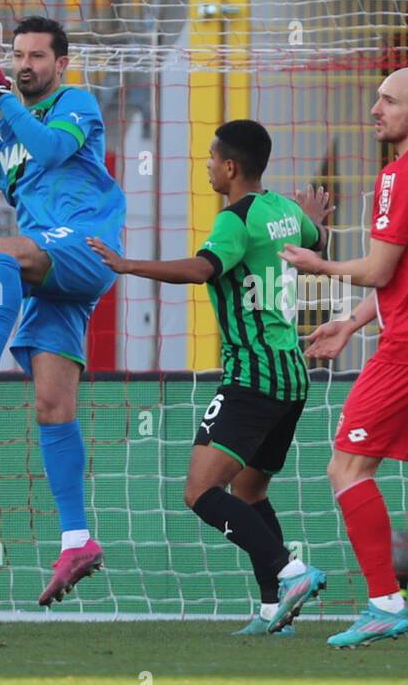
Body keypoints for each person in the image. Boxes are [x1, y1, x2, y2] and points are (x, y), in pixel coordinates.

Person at [88, 120, 332, 636]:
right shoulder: (286, 212)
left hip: (252, 376)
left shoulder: (234, 220)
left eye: (211, 156)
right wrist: (316, 223)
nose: (205, 163)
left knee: (200, 492)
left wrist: (129, 265)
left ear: (230, 167)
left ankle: (292, 572)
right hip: (291, 374)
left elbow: (203, 269)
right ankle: (274, 611)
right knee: (249, 493)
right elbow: (317, 241)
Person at [281, 66, 408, 651]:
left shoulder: (400, 175)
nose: (376, 109)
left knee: (346, 469)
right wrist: (353, 322)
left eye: (389, 101)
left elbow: (378, 269)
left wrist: (322, 267)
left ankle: (385, 603)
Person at [0, 16, 126, 608]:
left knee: (0, 249)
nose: (24, 66)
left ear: (61, 63)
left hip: (86, 245)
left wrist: (0, 103)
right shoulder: (4, 126)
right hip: (50, 265)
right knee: (51, 405)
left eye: (37, 56)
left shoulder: (77, 103)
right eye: (16, 55)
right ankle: (77, 540)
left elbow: (49, 147)